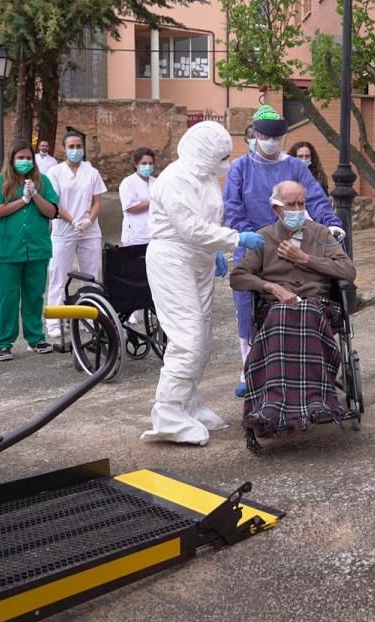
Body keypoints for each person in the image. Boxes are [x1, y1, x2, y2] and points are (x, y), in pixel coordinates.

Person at [141, 120, 266, 446]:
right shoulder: (173, 180)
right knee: (188, 337)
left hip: (199, 259)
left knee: (204, 338)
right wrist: (234, 240)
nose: (224, 163)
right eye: (220, 156)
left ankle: (188, 403)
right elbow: (189, 227)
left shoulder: (207, 177)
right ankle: (167, 412)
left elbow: (209, 220)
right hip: (172, 259)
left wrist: (214, 252)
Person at [225, 105, 343, 397]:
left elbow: (314, 198)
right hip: (256, 245)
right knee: (248, 309)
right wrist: (245, 234)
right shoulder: (241, 167)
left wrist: (331, 224)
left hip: (294, 242)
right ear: (254, 135)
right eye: (266, 137)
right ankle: (248, 369)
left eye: (277, 138)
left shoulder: (294, 167)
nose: (272, 143)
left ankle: (306, 366)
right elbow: (232, 207)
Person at [230, 180, 357, 437]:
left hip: (316, 306)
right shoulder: (263, 238)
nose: (298, 209)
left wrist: (306, 259)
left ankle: (317, 402)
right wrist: (271, 287)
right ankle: (273, 407)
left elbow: (348, 271)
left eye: (301, 203)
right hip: (276, 307)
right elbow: (238, 277)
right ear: (277, 208)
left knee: (306, 315)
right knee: (280, 316)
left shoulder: (320, 234)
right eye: (291, 204)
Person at [0, 140, 59, 361]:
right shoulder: (0, 181)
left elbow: (51, 212)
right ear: (11, 159)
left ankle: (35, 338)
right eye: (21, 158)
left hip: (36, 249)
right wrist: (23, 200)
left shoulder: (43, 181)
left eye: (29, 158)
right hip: (8, 249)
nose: (25, 162)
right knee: (7, 297)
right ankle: (4, 342)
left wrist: (35, 195)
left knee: (34, 296)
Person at [44, 127, 107, 338]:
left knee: (90, 275)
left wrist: (88, 221)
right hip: (63, 230)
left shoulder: (92, 172)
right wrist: (73, 221)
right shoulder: (54, 172)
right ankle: (54, 320)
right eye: (71, 147)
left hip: (90, 230)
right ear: (64, 149)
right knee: (58, 274)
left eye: (79, 146)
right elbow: (53, 202)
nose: (76, 150)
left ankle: (88, 316)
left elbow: (98, 201)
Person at [119, 147, 156, 246]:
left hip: (154, 235)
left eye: (150, 163)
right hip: (135, 236)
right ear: (136, 164)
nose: (147, 166)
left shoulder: (156, 182)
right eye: (144, 163)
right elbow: (130, 208)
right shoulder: (128, 183)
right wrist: (153, 202)